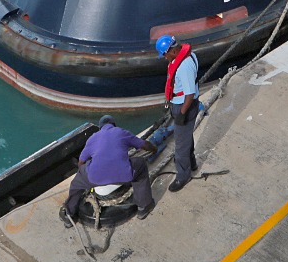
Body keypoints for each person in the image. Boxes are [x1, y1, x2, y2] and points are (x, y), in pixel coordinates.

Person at [60, 115, 156, 226]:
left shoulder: (93, 138)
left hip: (94, 178)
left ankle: (69, 215)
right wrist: (154, 149)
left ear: (100, 127)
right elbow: (144, 144)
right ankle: (144, 206)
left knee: (76, 184)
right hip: (124, 176)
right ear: (114, 125)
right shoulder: (121, 132)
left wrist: (84, 171)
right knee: (141, 164)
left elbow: (81, 162)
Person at [156, 34, 200, 192]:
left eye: (165, 54)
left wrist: (181, 114)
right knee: (187, 136)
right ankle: (192, 162)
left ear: (172, 51)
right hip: (182, 103)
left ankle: (183, 176)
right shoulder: (190, 55)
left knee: (180, 145)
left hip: (184, 106)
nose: (164, 58)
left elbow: (189, 94)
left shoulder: (184, 66)